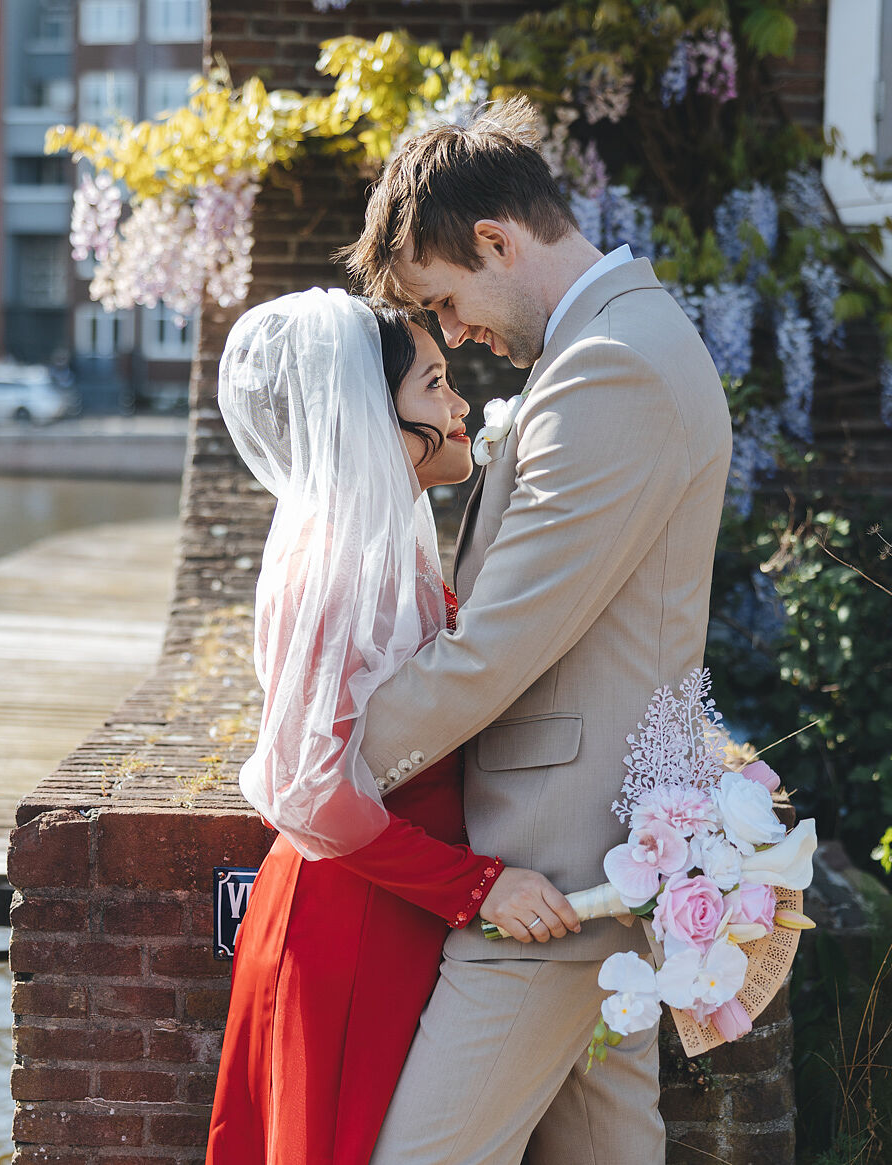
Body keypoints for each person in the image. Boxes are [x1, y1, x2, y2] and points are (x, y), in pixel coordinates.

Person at [335, 97, 733, 1164]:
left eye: (446, 300)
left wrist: (332, 758)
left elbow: (500, 644)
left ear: (498, 243)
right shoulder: (618, 348)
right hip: (598, 848)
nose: (454, 335)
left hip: (557, 867)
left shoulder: (608, 370)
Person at [205, 290, 580, 1165]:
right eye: (437, 384)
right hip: (355, 923)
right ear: (374, 417)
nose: (459, 408)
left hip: (385, 908)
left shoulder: (374, 540)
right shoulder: (342, 565)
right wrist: (476, 884)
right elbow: (307, 788)